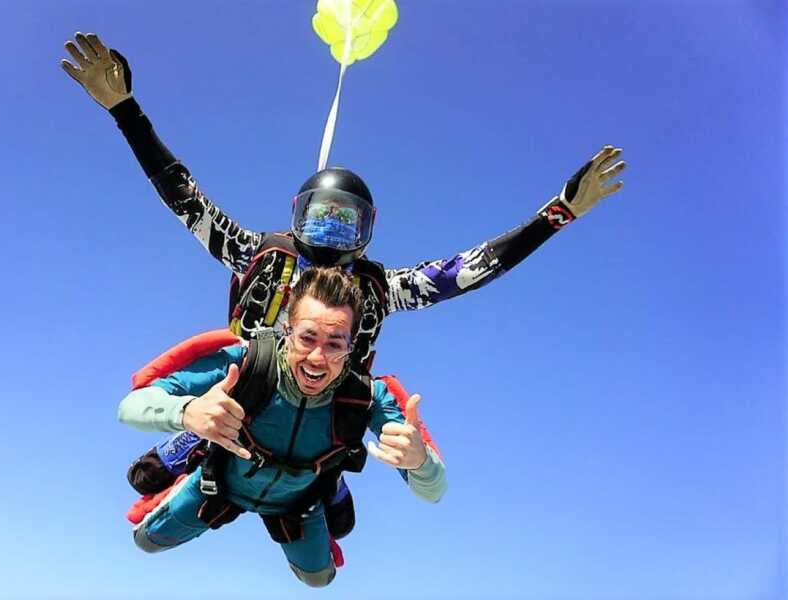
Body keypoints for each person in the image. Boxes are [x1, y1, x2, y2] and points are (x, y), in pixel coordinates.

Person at [61, 31, 625, 538]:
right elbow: (183, 196)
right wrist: (125, 110)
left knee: (331, 536)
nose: (331, 231)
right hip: (246, 385)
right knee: (157, 483)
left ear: (368, 229)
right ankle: (200, 441)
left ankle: (326, 469)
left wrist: (559, 213)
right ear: (297, 215)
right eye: (320, 217)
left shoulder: (380, 286)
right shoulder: (260, 252)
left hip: (329, 401)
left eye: (345, 221)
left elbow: (468, 270)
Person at [118, 267, 447, 587]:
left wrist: (419, 461)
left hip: (296, 504)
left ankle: (330, 484)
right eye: (307, 338)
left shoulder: (366, 396)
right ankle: (198, 437)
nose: (318, 357)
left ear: (352, 347)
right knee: (146, 541)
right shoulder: (249, 364)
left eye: (335, 343)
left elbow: (434, 492)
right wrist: (187, 411)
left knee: (319, 579)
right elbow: (130, 407)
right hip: (219, 484)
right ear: (287, 331)